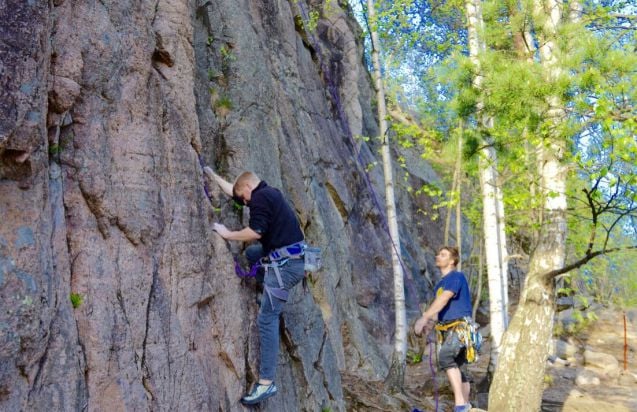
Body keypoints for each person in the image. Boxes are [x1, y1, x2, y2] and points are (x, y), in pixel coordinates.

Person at [204, 167, 306, 405]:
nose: (244, 202)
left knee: (267, 319)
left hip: (285, 268)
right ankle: (264, 289)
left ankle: (266, 383)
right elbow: (235, 191)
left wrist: (227, 234)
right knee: (252, 254)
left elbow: (256, 231)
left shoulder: (259, 198)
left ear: (249, 188)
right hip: (290, 258)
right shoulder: (267, 193)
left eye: (244, 197)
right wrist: (212, 174)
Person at [414, 246, 473, 412]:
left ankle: (460, 404)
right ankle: (466, 405)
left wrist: (424, 317)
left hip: (460, 326)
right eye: (438, 253)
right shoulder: (440, 284)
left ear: (452, 260)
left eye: (443, 255)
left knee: (446, 357)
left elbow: (445, 298)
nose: (437, 256)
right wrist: (430, 324)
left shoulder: (456, 276)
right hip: (447, 328)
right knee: (460, 366)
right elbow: (439, 308)